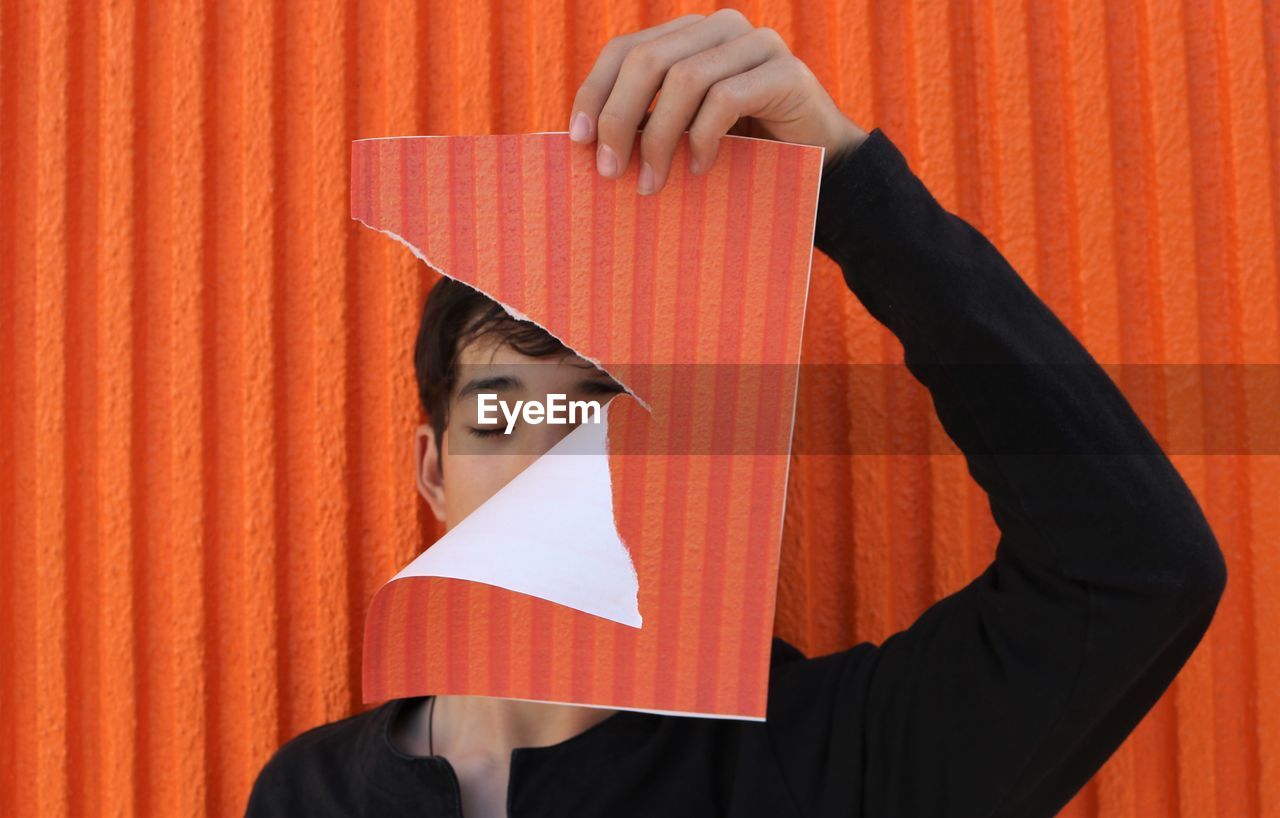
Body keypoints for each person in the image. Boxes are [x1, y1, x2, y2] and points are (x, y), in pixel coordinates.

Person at [244, 10, 1227, 817]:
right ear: (431, 472)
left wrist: (844, 182)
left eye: (609, 407)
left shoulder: (824, 762)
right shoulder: (308, 793)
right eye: (502, 413)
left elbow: (1133, 567)